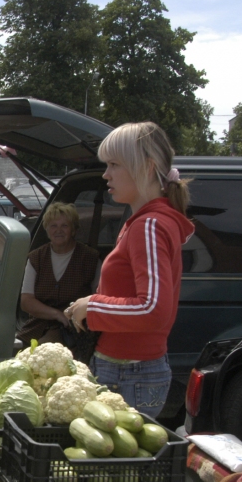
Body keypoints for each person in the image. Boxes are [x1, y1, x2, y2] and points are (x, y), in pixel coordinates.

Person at [67, 122, 195, 418]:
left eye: (114, 165)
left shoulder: (149, 225)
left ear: (148, 168)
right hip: (128, 371)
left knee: (117, 465)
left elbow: (153, 309)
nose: (105, 174)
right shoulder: (145, 222)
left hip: (130, 374)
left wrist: (93, 306)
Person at [18, 202, 100, 350]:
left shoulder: (91, 258)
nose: (58, 231)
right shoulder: (36, 258)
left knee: (45, 347)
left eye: (64, 226)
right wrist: (56, 314)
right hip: (38, 325)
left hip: (76, 328)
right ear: (47, 230)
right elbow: (26, 301)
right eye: (53, 226)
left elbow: (99, 298)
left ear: (74, 229)